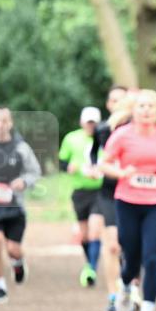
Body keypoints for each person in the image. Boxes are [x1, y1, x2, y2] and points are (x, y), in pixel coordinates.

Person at [99, 89, 156, 311]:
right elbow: (104, 163)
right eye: (141, 106)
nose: (146, 110)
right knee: (131, 256)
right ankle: (124, 286)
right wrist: (121, 173)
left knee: (152, 258)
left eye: (151, 107)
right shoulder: (122, 136)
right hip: (127, 202)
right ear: (134, 110)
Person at [90, 86, 142, 311]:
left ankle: (131, 288)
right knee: (111, 244)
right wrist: (97, 167)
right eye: (114, 101)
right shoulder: (103, 129)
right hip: (110, 192)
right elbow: (94, 155)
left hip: (137, 192)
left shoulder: (143, 129)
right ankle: (113, 295)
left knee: (131, 245)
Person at [0, 107, 42, 304]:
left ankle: (18, 262)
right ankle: (0, 287)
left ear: (10, 123)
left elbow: (34, 171)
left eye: (4, 121)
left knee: (13, 249)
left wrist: (23, 182)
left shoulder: (21, 148)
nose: (0, 125)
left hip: (15, 207)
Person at [58, 107, 103, 287]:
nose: (91, 126)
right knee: (84, 235)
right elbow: (62, 161)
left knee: (95, 230)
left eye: (94, 122)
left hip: (100, 191)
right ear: (82, 122)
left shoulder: (105, 138)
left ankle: (91, 267)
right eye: (88, 122)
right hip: (80, 191)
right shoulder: (72, 138)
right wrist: (70, 166)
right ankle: (88, 263)